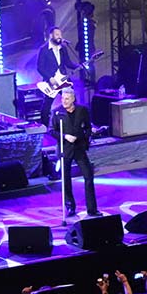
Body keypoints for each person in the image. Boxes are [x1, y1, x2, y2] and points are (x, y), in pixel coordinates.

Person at [51, 85, 97, 220]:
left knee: (88, 176)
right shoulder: (57, 112)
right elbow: (51, 130)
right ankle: (70, 206)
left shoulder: (82, 110)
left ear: (73, 99)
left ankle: (92, 209)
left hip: (79, 148)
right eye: (63, 99)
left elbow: (88, 127)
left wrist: (84, 137)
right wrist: (65, 136)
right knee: (66, 179)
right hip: (65, 149)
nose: (64, 101)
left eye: (67, 99)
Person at [36, 27, 78, 127]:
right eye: (57, 35)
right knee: (47, 104)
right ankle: (44, 126)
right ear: (51, 36)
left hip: (63, 79)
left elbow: (68, 63)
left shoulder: (63, 48)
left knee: (72, 100)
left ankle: (74, 124)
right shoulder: (44, 50)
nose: (60, 37)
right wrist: (49, 78)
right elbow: (40, 67)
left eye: (60, 35)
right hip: (51, 82)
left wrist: (80, 65)